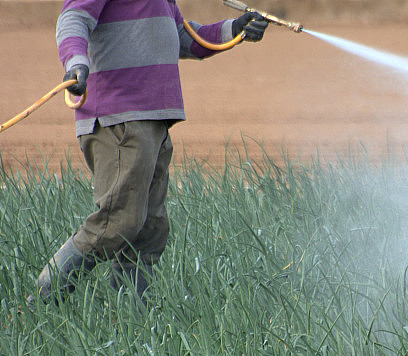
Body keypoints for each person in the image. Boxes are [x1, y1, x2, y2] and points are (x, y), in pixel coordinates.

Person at [29, 0, 268, 304]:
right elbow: (73, 19)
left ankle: (131, 321)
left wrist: (235, 30)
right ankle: (44, 298)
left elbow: (183, 37)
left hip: (154, 119)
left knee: (148, 229)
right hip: (119, 116)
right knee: (117, 222)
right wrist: (76, 63)